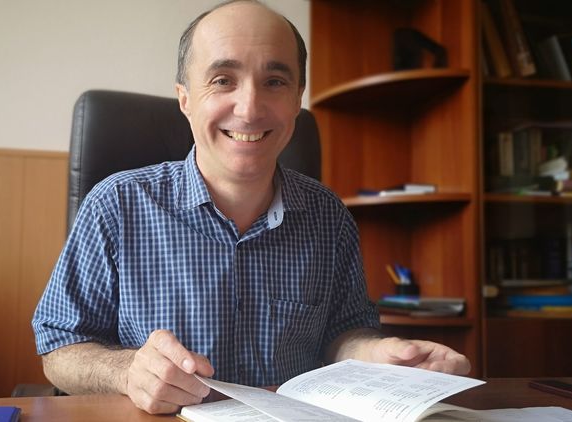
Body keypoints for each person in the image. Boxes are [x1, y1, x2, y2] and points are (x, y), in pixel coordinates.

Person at [32, 0, 471, 415]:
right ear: (185, 98)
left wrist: (377, 355)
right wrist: (127, 371)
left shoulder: (329, 216)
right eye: (223, 80)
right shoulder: (116, 204)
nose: (249, 108)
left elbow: (343, 334)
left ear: (297, 98)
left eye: (275, 81)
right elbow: (59, 348)